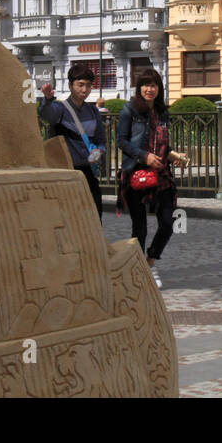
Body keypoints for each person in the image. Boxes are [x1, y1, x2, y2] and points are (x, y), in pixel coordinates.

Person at [116, 68, 187, 288]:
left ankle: (150, 261)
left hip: (161, 175)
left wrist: (174, 155)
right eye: (145, 85)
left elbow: (163, 144)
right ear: (139, 88)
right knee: (140, 227)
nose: (149, 89)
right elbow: (121, 141)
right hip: (137, 174)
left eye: (154, 85)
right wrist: (144, 156)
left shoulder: (162, 113)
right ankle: (138, 271)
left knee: (168, 221)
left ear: (159, 88)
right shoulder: (129, 110)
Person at [39, 64, 107, 221]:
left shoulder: (93, 111)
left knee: (95, 215)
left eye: (88, 86)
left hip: (87, 171)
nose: (85, 90)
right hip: (65, 172)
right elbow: (47, 115)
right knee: (68, 218)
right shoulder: (60, 108)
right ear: (70, 85)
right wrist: (48, 100)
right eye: (80, 85)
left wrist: (99, 151)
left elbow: (101, 140)